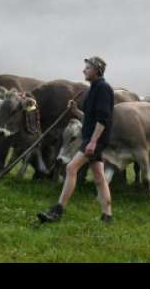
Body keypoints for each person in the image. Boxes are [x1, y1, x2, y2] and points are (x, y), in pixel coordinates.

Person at [38, 56, 114, 224]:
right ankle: (107, 215)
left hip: (95, 139)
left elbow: (103, 119)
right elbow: (90, 118)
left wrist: (93, 142)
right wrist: (75, 111)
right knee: (99, 177)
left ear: (97, 70)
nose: (84, 70)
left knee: (71, 168)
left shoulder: (103, 88)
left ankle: (58, 210)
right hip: (92, 137)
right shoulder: (94, 88)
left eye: (87, 68)